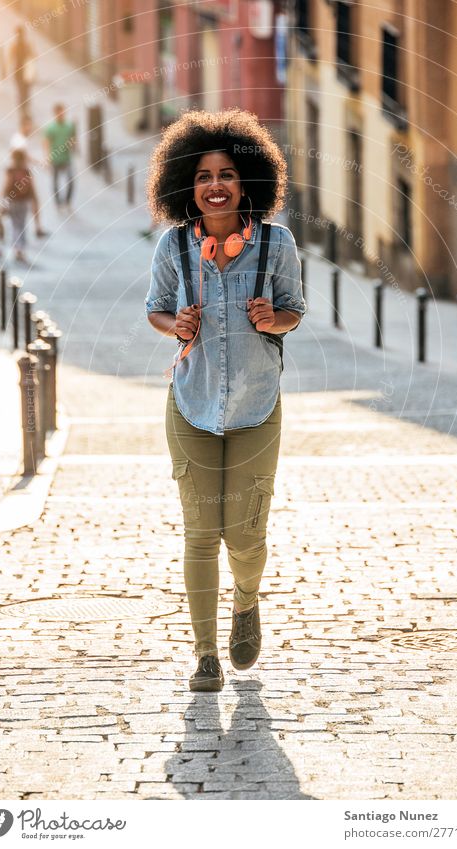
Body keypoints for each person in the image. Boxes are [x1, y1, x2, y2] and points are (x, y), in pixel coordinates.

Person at [145, 109, 307, 692]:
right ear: (186, 184)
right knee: (198, 531)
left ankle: (246, 601)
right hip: (190, 403)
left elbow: (295, 309)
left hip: (256, 407)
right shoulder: (173, 247)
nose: (215, 184)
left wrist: (275, 318)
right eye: (204, 174)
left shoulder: (275, 243)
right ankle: (205, 653)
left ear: (248, 184)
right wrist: (176, 325)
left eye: (228, 174)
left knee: (245, 533)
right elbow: (154, 308)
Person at [10, 114, 48, 237]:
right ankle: (35, 228)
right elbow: (21, 156)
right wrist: (40, 162)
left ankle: (37, 227)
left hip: (22, 174)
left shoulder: (19, 138)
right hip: (23, 174)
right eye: (28, 126)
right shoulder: (19, 140)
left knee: (33, 200)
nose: (30, 128)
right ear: (23, 125)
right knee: (32, 200)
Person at [2, 148, 34, 263]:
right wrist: (34, 201)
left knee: (15, 225)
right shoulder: (26, 171)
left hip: (13, 201)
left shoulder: (11, 170)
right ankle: (21, 248)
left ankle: (17, 248)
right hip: (24, 201)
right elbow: (32, 188)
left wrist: (3, 202)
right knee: (22, 225)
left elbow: (6, 186)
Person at [43, 103, 76, 211]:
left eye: (63, 112)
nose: (62, 114)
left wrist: (72, 144)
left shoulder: (69, 126)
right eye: (59, 112)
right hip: (55, 159)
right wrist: (47, 159)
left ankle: (67, 202)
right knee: (55, 182)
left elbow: (73, 141)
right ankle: (58, 203)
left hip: (67, 158)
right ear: (55, 114)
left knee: (71, 180)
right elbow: (46, 143)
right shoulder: (51, 128)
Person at [9, 24, 34, 116]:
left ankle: (22, 107)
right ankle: (25, 106)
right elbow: (33, 56)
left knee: (21, 89)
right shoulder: (27, 44)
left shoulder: (14, 45)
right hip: (26, 70)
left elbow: (11, 58)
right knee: (26, 90)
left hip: (18, 70)